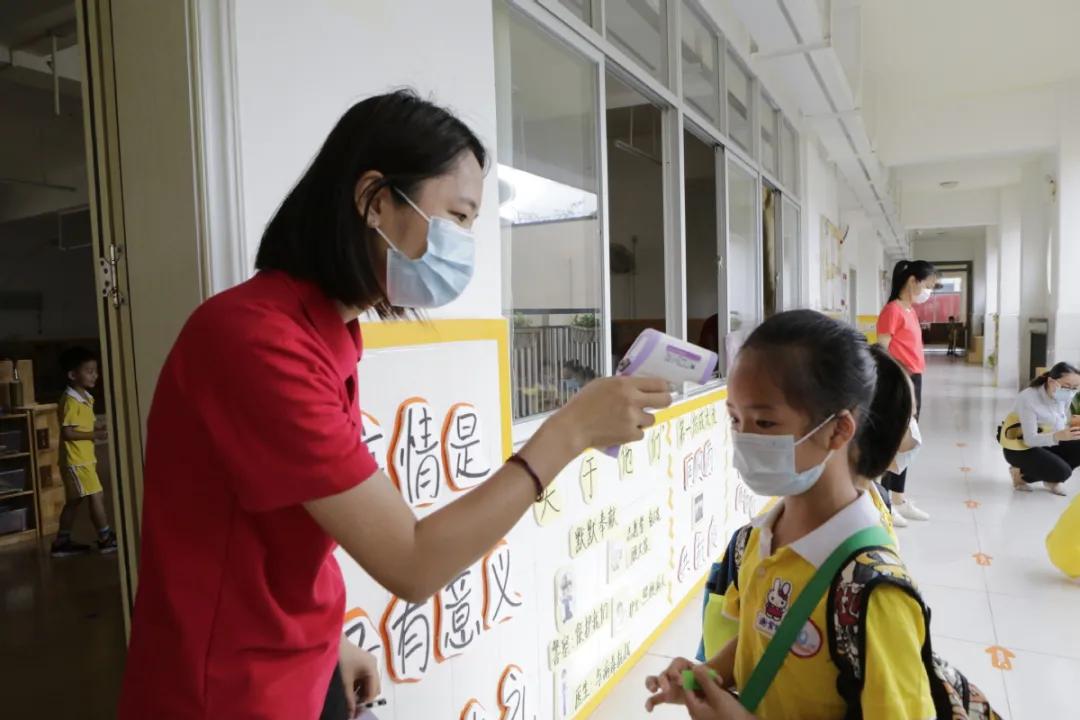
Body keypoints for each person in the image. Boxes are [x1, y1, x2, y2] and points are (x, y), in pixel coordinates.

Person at [117, 91, 671, 720]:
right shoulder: (255, 341)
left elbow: (296, 528)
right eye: (457, 217)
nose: (465, 243)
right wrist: (567, 433)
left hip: (296, 662)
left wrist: (328, 644)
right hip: (225, 690)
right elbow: (411, 562)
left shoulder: (325, 334)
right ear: (375, 200)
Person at [646, 310, 936, 718]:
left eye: (765, 422)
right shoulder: (757, 538)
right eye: (734, 418)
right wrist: (706, 677)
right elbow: (760, 640)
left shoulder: (873, 594)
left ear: (838, 431)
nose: (744, 438)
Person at [875, 259, 938, 525]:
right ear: (912, 280)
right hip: (900, 381)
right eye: (927, 285)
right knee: (897, 440)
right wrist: (901, 381)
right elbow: (882, 349)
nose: (928, 291)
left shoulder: (909, 310)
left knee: (909, 439)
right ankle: (887, 502)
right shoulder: (892, 310)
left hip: (914, 379)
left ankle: (899, 497)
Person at [49, 347, 116, 557]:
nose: (95, 375)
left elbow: (80, 427)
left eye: (95, 370)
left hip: (84, 459)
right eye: (89, 371)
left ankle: (62, 541)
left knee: (74, 501)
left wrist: (93, 430)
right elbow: (68, 433)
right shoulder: (71, 401)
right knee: (97, 496)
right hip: (77, 461)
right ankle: (105, 538)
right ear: (72, 375)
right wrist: (93, 436)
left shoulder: (85, 397)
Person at [998, 362, 1080, 495]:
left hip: (1047, 441)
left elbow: (1060, 422)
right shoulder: (1028, 398)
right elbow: (1029, 440)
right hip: (1020, 447)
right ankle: (1020, 474)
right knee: (1063, 472)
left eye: (1075, 388)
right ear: (1051, 381)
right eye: (1066, 386)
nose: (1070, 392)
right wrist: (1059, 436)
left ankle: (1052, 480)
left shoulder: (1065, 395)